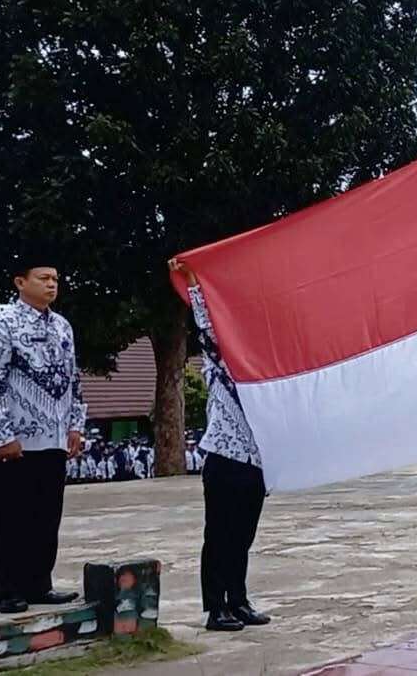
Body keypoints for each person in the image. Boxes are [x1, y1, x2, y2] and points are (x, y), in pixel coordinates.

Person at [0, 260, 85, 614]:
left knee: (45, 516)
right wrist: (2, 434)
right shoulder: (2, 324)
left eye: (56, 278)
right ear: (20, 282)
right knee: (10, 518)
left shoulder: (63, 326)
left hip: (53, 439)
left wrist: (76, 426)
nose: (52, 284)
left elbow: (74, 380)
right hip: (15, 442)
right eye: (43, 278)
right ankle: (7, 589)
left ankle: (39, 583)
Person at [171, 260, 272, 632]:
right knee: (219, 536)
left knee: (243, 536)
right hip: (225, 457)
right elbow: (207, 326)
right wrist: (195, 283)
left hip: (257, 459)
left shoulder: (267, 373)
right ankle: (216, 608)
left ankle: (239, 600)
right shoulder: (220, 360)